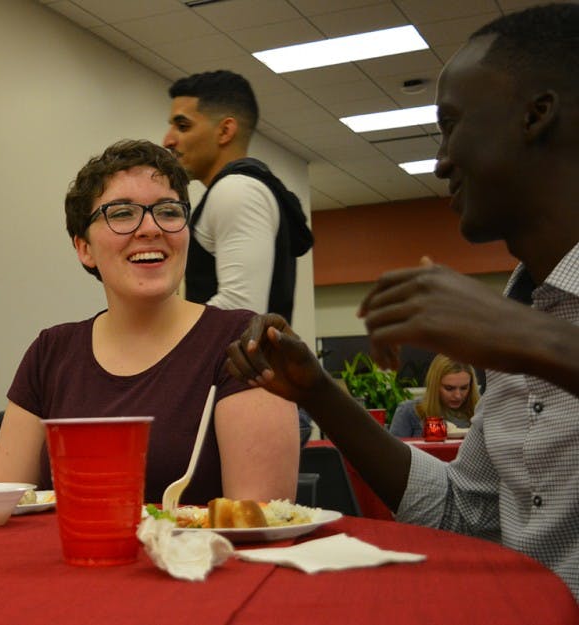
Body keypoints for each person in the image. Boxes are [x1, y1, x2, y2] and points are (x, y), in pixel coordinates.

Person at [225, 3, 579, 599]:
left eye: (452, 124)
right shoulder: (525, 314)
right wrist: (319, 393)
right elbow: (463, 515)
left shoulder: (522, 332)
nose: (441, 161)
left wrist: (532, 342)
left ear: (536, 114)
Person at [0, 140, 299, 505]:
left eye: (168, 211)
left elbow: (261, 523)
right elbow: (7, 502)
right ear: (84, 248)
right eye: (121, 213)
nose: (150, 228)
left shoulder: (243, 343)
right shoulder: (51, 352)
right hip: (76, 578)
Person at [163, 70, 312, 321]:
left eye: (182, 126)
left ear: (225, 131)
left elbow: (241, 310)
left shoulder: (236, 191)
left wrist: (162, 338)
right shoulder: (240, 189)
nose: (168, 140)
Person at [389, 354, 479, 437]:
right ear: (434, 385)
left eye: (464, 388)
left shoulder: (480, 413)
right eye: (449, 388)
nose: (457, 396)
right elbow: (392, 452)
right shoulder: (409, 411)